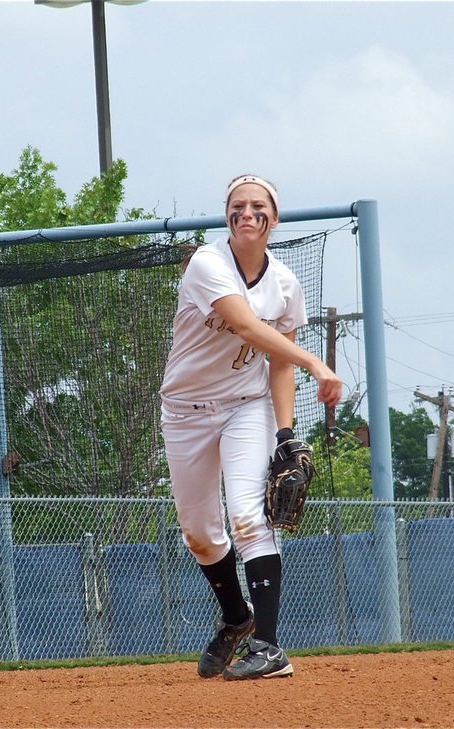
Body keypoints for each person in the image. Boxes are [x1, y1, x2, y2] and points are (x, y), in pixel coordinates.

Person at [159, 174, 342, 680]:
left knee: (247, 513)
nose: (247, 212)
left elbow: (276, 365)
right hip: (184, 411)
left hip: (246, 405)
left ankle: (268, 644)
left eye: (258, 206)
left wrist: (284, 432)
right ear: (228, 216)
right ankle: (236, 619)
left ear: (274, 218)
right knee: (199, 533)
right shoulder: (206, 263)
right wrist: (317, 364)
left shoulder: (285, 282)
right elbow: (245, 325)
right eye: (237, 205)